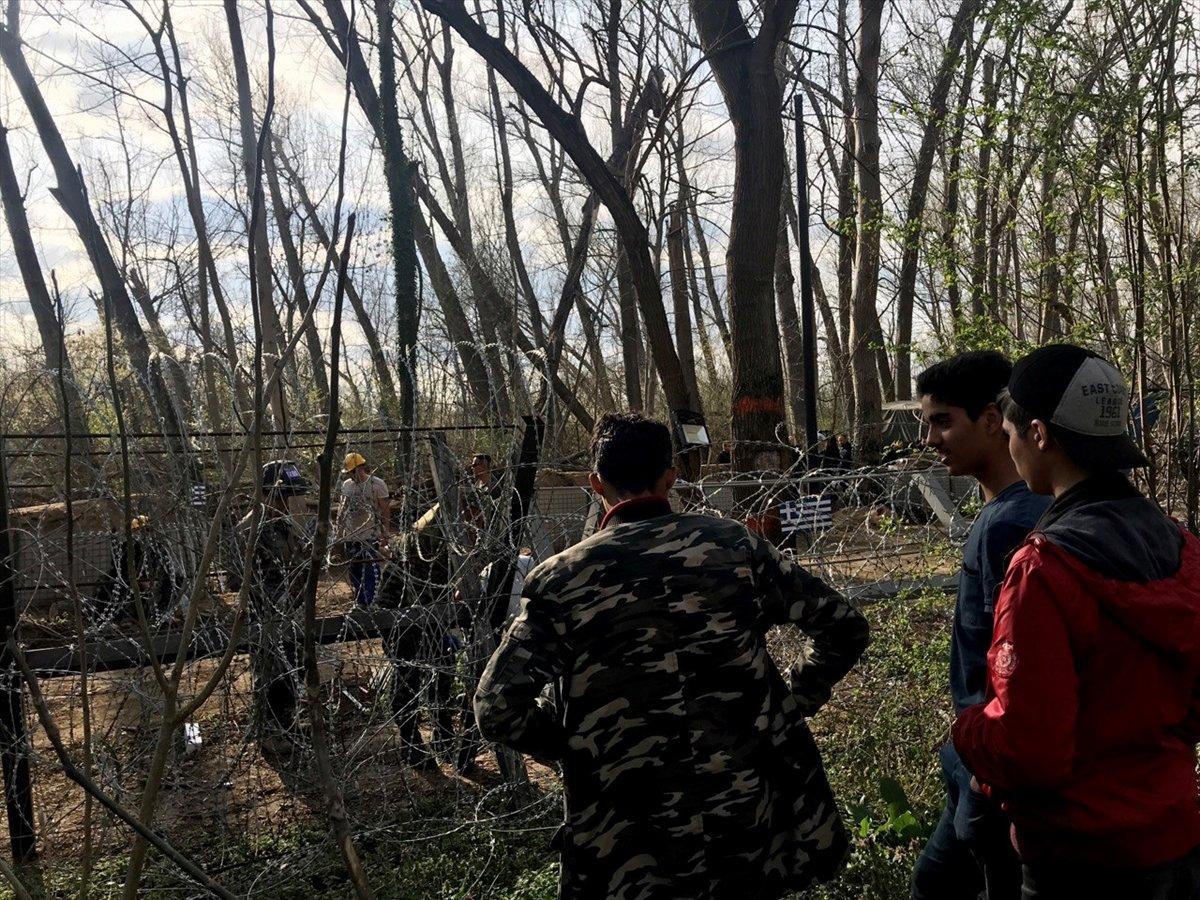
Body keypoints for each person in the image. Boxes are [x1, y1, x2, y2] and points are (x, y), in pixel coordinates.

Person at [474, 412, 870, 899]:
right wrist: (792, 702)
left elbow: (496, 706)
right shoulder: (734, 548)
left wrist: (581, 749)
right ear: (671, 476)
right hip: (747, 810)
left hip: (628, 831)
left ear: (596, 483)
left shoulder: (565, 581)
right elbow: (844, 626)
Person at [953, 345, 1200, 899]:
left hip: (1078, 857)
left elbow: (1028, 747)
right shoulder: (1180, 546)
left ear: (1038, 434)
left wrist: (965, 730)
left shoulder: (1044, 568)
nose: (1010, 446)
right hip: (1175, 839)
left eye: (1012, 430)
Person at [912, 351, 1050, 900]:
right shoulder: (1020, 510)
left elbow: (1013, 667)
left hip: (992, 771)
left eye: (943, 420)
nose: (929, 438)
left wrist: (984, 774)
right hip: (980, 761)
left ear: (992, 420)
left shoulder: (1009, 524)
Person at [242, 460, 310, 744]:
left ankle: (286, 723)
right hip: (266, 613)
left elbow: (297, 561)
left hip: (289, 613)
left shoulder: (281, 525)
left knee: (293, 668)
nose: (286, 504)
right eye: (283, 497)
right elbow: (240, 576)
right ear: (268, 494)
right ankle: (270, 731)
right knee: (272, 672)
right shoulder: (250, 529)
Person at [335, 452, 390, 607]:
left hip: (370, 535)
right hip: (351, 536)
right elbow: (342, 508)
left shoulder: (376, 484)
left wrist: (385, 532)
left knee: (370, 570)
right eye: (349, 473)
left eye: (353, 471)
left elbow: (385, 510)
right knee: (355, 572)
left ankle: (371, 601)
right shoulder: (347, 485)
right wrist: (339, 532)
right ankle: (361, 602)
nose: (352, 475)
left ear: (362, 467)